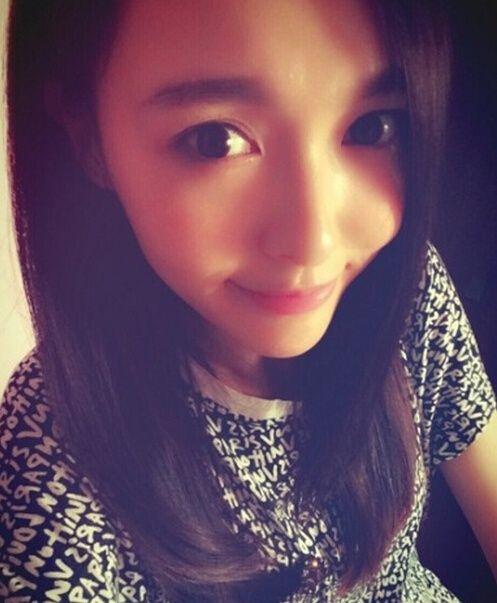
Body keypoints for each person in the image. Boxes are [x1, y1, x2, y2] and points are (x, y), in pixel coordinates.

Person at [1, 1, 496, 601]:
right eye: (215, 140)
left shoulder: (405, 290)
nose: (314, 242)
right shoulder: (51, 448)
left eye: (371, 127)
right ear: (89, 140)